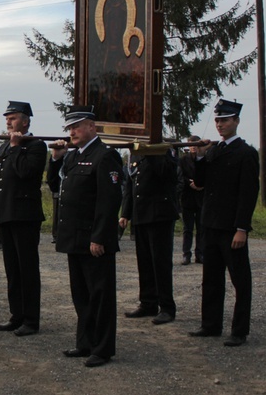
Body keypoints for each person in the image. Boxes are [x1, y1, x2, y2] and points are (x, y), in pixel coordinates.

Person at [47, 105, 122, 368]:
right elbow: (57, 188)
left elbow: (109, 202)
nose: (72, 131)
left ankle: (102, 349)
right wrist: (55, 158)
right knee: (81, 295)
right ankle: (85, 343)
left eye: (77, 126)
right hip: (74, 239)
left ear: (92, 126)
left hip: (94, 241)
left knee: (100, 296)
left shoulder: (105, 156)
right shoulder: (72, 157)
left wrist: (99, 237)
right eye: (69, 127)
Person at [190, 99, 259, 347]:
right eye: (218, 120)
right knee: (211, 278)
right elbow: (200, 183)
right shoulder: (215, 150)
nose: (220, 124)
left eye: (225, 120)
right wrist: (198, 157)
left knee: (240, 280)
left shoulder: (246, 153)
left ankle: (239, 330)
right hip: (210, 224)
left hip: (231, 227)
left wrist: (242, 228)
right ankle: (211, 325)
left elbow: (247, 194)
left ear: (236, 121)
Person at [0, 101, 46, 337]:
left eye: (12, 118)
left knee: (27, 269)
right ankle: (16, 315)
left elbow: (25, 174)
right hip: (6, 214)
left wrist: (17, 146)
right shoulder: (3, 148)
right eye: (7, 118)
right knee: (12, 269)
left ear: (25, 121)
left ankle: (31, 319)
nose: (8, 122)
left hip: (25, 216)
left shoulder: (36, 146)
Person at [120, 149, 178, 325]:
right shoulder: (136, 154)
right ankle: (148, 303)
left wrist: (152, 151)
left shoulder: (164, 151)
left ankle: (167, 307)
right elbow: (131, 185)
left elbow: (165, 173)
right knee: (144, 262)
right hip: (141, 214)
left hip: (160, 215)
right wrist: (126, 213)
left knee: (160, 262)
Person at [178, 136, 204, 265]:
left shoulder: (204, 160)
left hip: (200, 197)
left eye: (196, 145)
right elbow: (181, 176)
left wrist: (201, 184)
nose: (193, 147)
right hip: (187, 198)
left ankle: (200, 254)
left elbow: (207, 174)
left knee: (201, 228)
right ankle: (186, 254)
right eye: (191, 145)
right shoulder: (182, 160)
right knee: (187, 229)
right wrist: (191, 183)